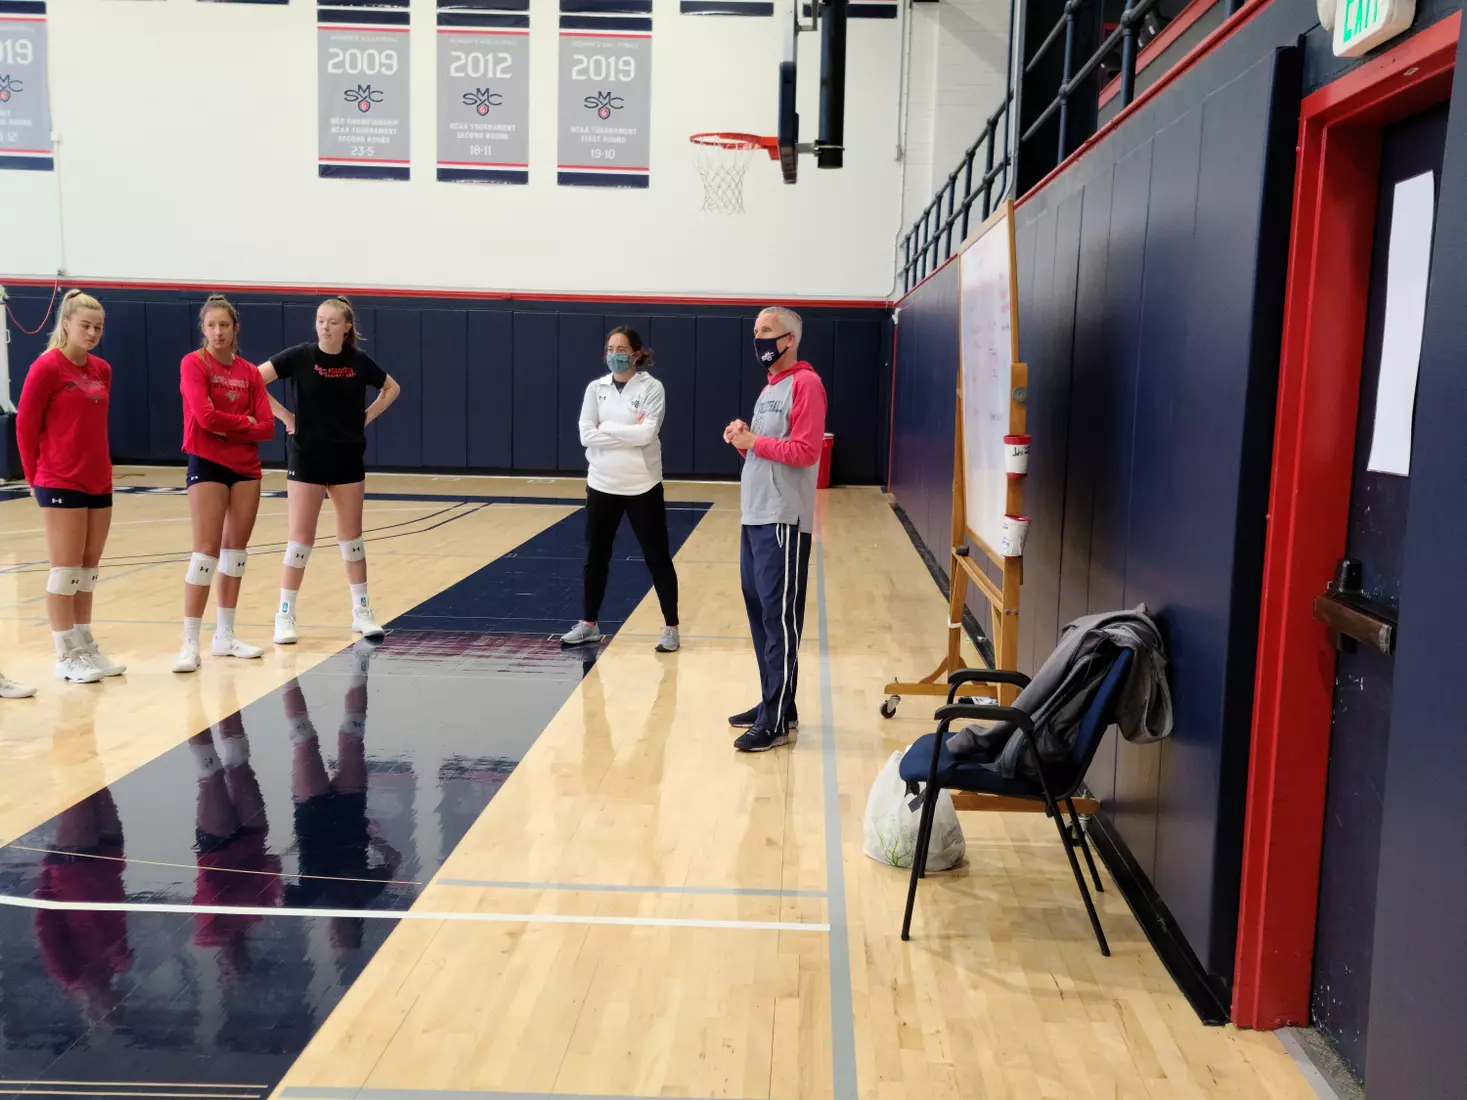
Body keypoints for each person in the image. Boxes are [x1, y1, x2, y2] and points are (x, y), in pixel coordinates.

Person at [256, 297, 400, 645]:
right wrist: (286, 417)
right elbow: (254, 380)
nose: (325, 326)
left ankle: (361, 611)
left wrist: (365, 417)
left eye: (333, 321)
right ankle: (285, 615)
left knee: (352, 540)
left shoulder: (358, 362)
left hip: (347, 458)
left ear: (346, 327)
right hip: (307, 457)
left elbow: (392, 388)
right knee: (300, 541)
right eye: (321, 320)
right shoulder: (300, 356)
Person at [723, 307, 826, 752]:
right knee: (760, 614)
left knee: (779, 619)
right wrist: (742, 440)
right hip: (755, 515)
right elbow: (767, 455)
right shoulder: (770, 390)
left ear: (789, 339)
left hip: (783, 520)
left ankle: (777, 719)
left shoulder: (807, 384)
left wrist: (754, 442)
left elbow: (804, 452)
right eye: (755, 331)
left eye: (766, 330)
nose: (759, 337)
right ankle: (775, 703)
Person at [16, 290, 125, 684]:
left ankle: (85, 645)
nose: (93, 332)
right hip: (59, 478)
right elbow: (25, 426)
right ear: (66, 324)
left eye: (98, 327)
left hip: (98, 479)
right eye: (85, 325)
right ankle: (65, 653)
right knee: (65, 570)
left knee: (88, 570)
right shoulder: (47, 368)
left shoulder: (102, 369)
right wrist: (32, 478)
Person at [173, 295, 276, 673]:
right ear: (203, 328)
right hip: (208, 462)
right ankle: (189, 643)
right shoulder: (193, 363)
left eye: (225, 325)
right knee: (205, 553)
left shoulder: (249, 372)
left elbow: (266, 426)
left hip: (246, 468)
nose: (218, 332)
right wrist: (243, 423)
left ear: (235, 329)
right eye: (212, 325)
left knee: (236, 552)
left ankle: (225, 636)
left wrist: (238, 423)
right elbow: (205, 418)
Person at [561, 326, 680, 654]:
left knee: (657, 556)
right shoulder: (594, 389)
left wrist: (608, 428)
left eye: (622, 348)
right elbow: (586, 434)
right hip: (601, 483)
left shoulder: (652, 388)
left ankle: (671, 627)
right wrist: (626, 430)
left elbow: (646, 436)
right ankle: (588, 625)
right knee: (595, 556)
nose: (616, 354)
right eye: (611, 348)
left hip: (642, 485)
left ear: (637, 353)